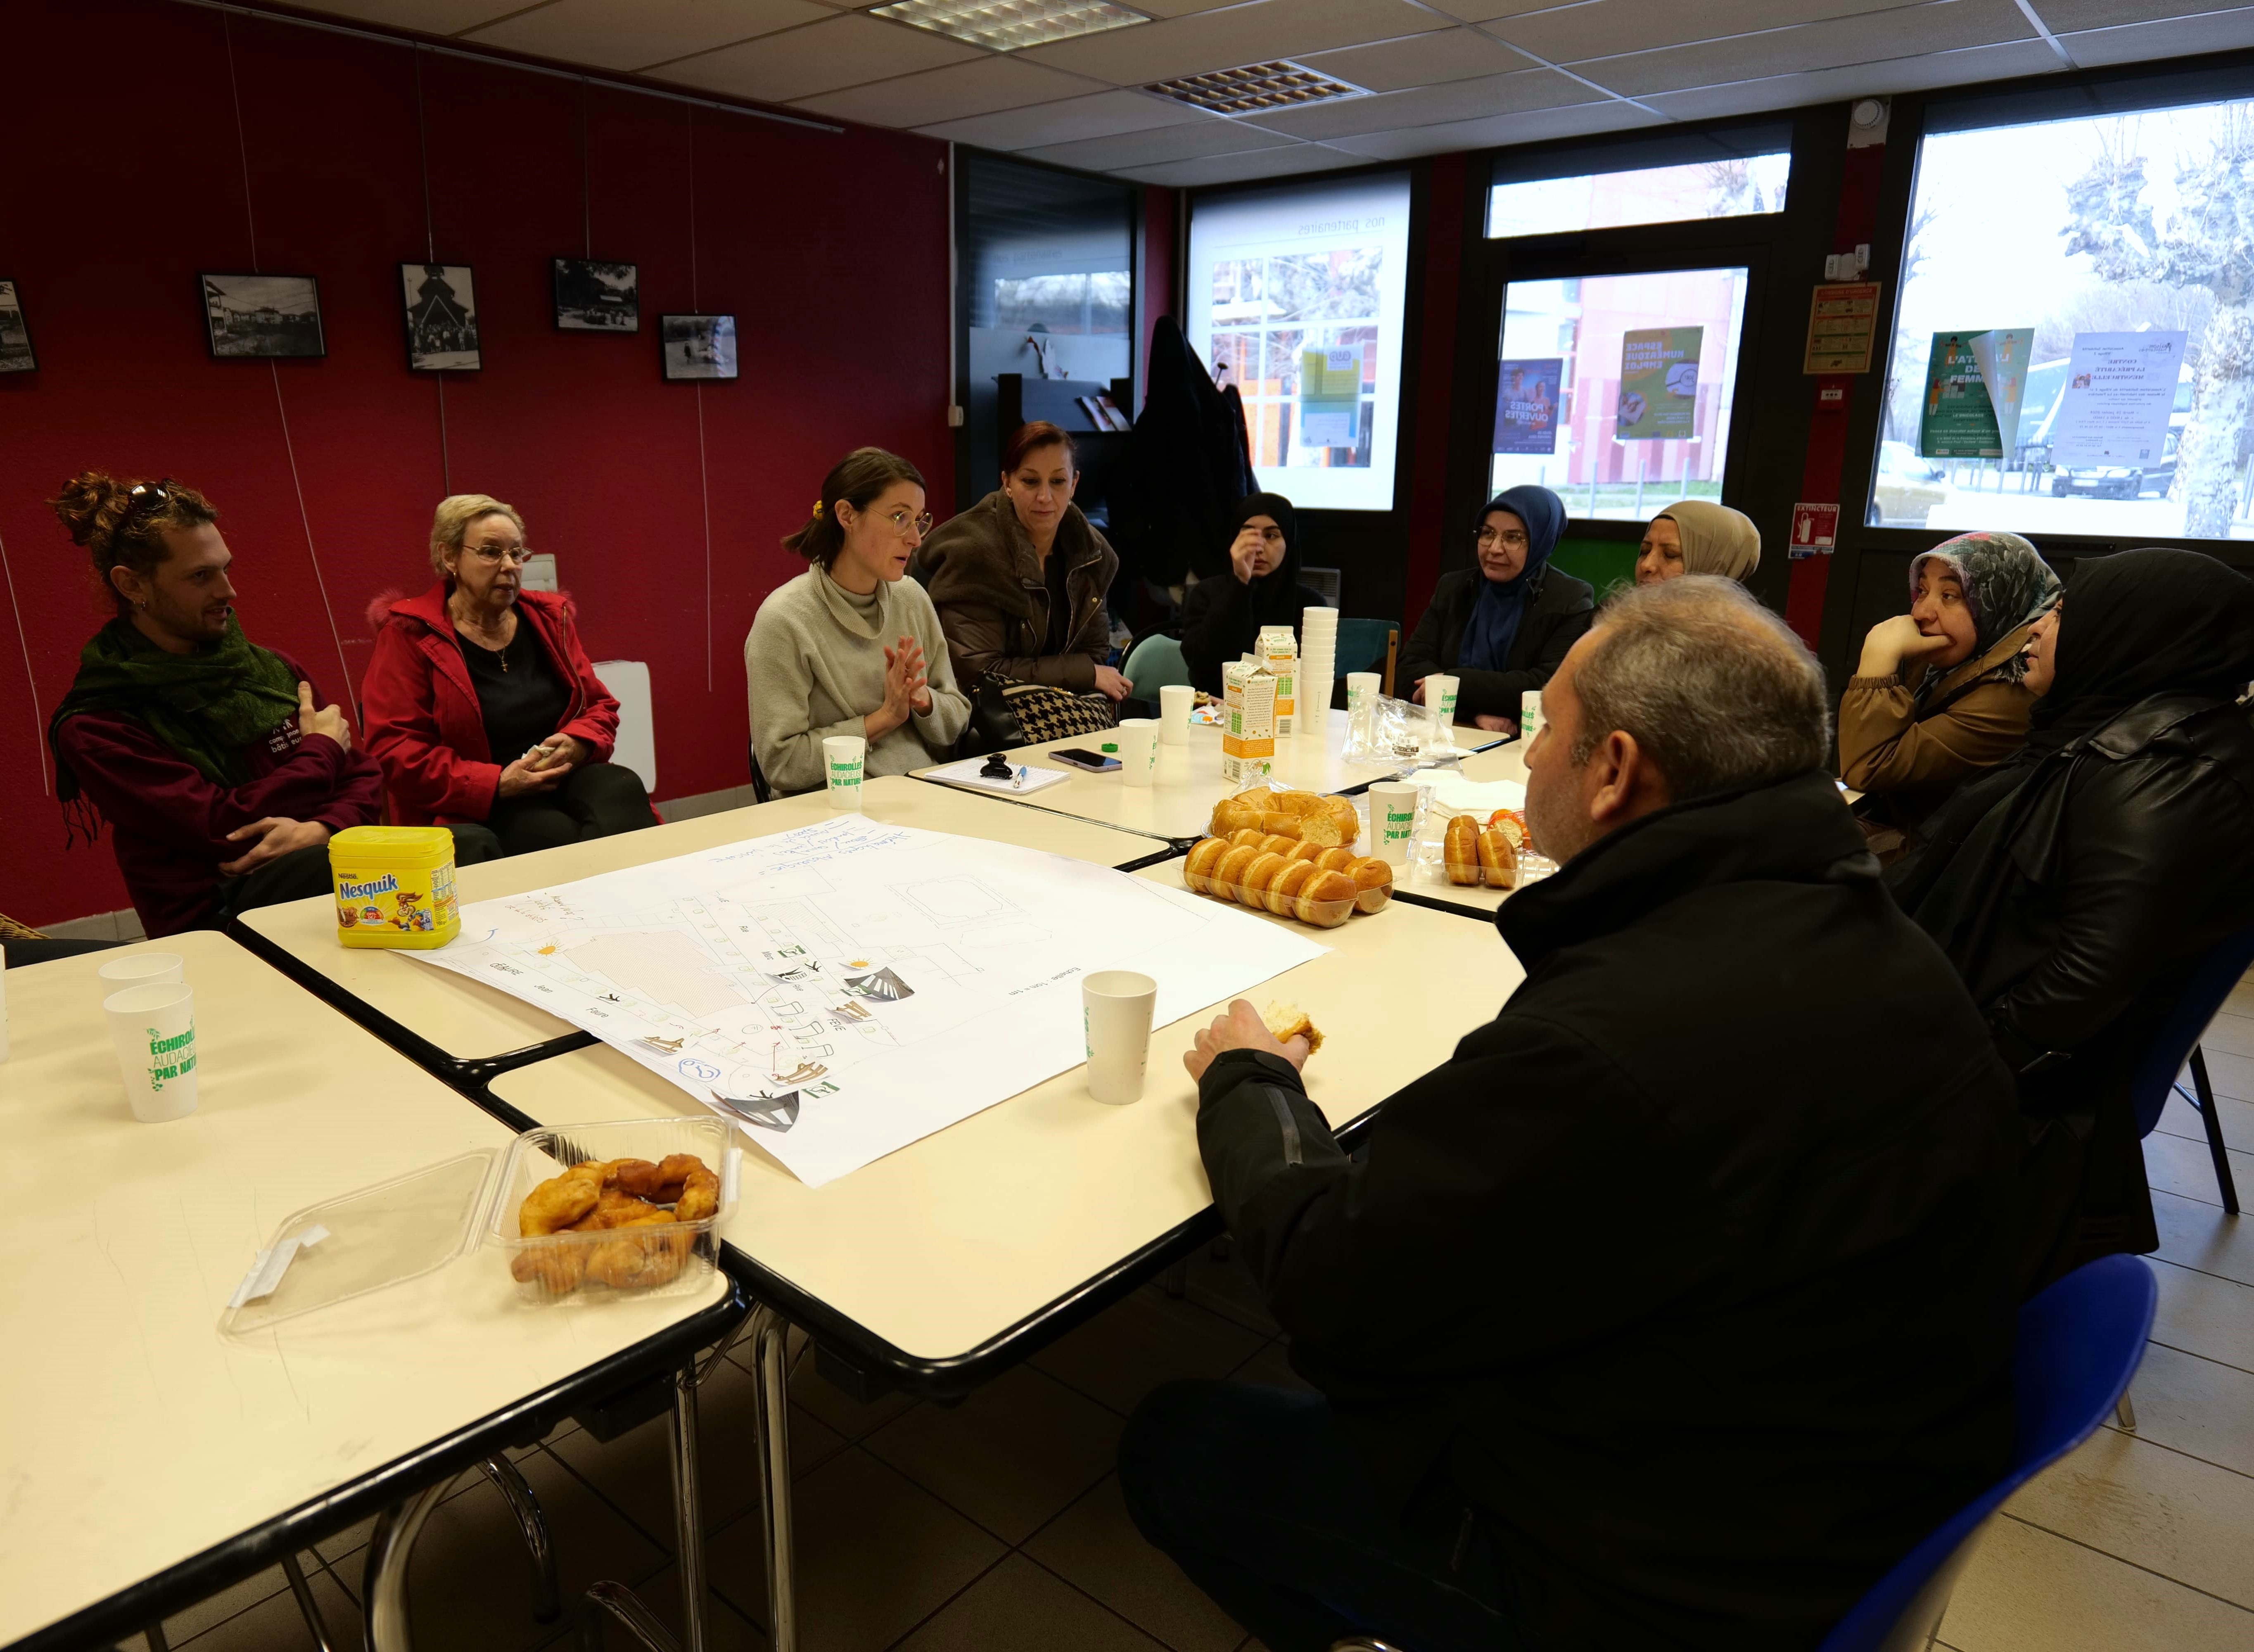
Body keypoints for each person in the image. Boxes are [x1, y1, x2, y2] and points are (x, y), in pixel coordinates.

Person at [1122, 576, 2019, 1652]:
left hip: (1651, 1577)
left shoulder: (1618, 1040)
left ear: (1616, 771)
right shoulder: (1874, 938)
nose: (1532, 754)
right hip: (1828, 1486)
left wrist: (1251, 1082)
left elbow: (1330, 1280)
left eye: (1549, 729)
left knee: (1173, 1444)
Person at [1889, 546, 2254, 1293]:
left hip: (2012, 1104)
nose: (2035, 630)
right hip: (1966, 1032)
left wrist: (1951, 1064)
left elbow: (2079, 984)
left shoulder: (2162, 777)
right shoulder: (2101, 734)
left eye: (2061, 615)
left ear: (2127, 635)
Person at [42, 472, 482, 938]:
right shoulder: (98, 722)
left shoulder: (270, 670)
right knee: (469, 851)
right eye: (200, 576)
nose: (228, 591)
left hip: (318, 861)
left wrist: (324, 830)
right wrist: (321, 753)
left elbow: (363, 776)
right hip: (219, 908)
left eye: (225, 568)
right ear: (132, 585)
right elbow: (222, 826)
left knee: (473, 847)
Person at [361, 494, 657, 855]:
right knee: (555, 836)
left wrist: (579, 743)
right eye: (490, 552)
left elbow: (598, 706)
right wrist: (496, 783)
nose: (509, 566)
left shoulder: (550, 619)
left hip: (562, 776)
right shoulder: (410, 634)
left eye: (517, 554)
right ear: (449, 556)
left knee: (621, 787)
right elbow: (395, 751)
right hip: (478, 800)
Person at [746, 448, 970, 795]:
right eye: (900, 518)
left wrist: (922, 700)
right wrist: (883, 719)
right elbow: (782, 763)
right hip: (834, 811)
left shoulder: (911, 598)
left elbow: (956, 720)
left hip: (922, 793)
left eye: (919, 520)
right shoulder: (784, 620)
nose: (915, 538)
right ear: (847, 515)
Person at [1839, 531, 2058, 845]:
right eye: (1923, 591)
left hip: (1931, 858)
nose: (1921, 613)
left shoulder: (2014, 687)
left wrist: (1877, 662)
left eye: (1950, 595)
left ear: (2000, 600)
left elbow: (1869, 768)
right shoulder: (1958, 659)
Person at [912, 422, 1128, 700]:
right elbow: (981, 672)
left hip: (1064, 710)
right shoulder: (974, 551)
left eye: (1058, 482)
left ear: (1074, 484)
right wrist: (1084, 673)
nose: (1045, 497)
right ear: (1007, 483)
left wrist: (1086, 674)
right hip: (987, 717)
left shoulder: (1092, 552)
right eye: (1030, 481)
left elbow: (1094, 656)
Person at [1397, 484, 1593, 730]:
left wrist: (1453, 684)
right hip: (1447, 730)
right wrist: (1477, 712)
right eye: (1488, 533)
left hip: (1522, 742)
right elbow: (1409, 668)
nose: (1494, 549)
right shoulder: (1455, 588)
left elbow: (1546, 686)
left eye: (1513, 538)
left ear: (1542, 541)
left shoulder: (1568, 599)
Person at [1177, 492, 1329, 695]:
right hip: (1218, 712)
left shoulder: (1310, 605)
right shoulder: (1206, 594)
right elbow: (1203, 671)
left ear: (1289, 542)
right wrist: (1239, 585)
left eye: (1271, 536)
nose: (1258, 548)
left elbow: (1316, 682)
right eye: (1248, 535)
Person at [1633, 498, 1761, 584]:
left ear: (1714, 565)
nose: (1646, 565)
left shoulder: (1736, 625)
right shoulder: (1625, 620)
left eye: (1670, 554)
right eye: (1645, 551)